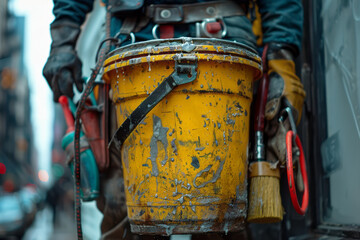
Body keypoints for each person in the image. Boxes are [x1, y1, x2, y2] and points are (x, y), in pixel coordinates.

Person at [43, 0, 305, 239]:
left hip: (222, 50)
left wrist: (281, 54)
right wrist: (63, 39)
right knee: (124, 212)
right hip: (130, 54)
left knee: (222, 217)